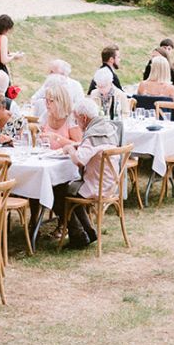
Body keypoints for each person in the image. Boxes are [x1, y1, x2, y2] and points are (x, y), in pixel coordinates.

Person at [55, 98, 120, 248]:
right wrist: (77, 144)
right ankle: (87, 230)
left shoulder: (92, 135)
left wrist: (71, 149)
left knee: (58, 190)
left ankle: (78, 234)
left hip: (96, 186)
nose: (77, 124)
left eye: (77, 120)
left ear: (84, 118)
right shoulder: (106, 127)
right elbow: (95, 148)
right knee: (67, 190)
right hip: (110, 182)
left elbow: (79, 161)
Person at [40, 80, 82, 149]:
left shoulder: (71, 119)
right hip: (47, 156)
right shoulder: (45, 115)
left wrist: (57, 138)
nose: (47, 104)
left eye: (51, 101)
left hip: (66, 158)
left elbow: (79, 146)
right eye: (46, 100)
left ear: (61, 102)